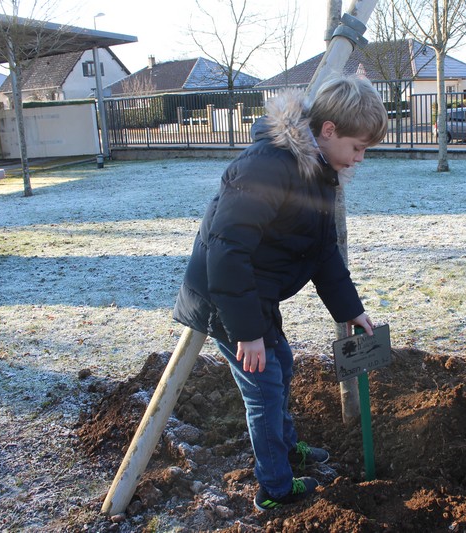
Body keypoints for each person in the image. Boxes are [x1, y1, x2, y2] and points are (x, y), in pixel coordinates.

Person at [172, 76, 388, 511]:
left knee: (281, 367)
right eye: (358, 148)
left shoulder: (318, 171)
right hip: (226, 299)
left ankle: (287, 451)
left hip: (253, 294)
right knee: (265, 390)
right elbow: (227, 250)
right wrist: (248, 333)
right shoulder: (267, 166)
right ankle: (274, 488)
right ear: (328, 131)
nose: (359, 160)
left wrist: (352, 310)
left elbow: (322, 251)